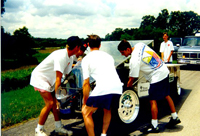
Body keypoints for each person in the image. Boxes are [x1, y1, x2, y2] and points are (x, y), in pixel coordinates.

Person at [118, 40, 181, 133]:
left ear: (128, 49)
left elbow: (132, 78)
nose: (122, 55)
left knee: (152, 100)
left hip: (157, 75)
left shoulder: (134, 60)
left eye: (123, 52)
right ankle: (175, 117)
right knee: (166, 95)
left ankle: (154, 125)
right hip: (163, 70)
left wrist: (127, 89)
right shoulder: (140, 45)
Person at [30, 36, 81, 136]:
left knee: (55, 106)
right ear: (76, 47)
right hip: (40, 78)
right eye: (80, 47)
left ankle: (58, 127)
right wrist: (58, 97)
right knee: (50, 103)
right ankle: (38, 130)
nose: (80, 50)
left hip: (50, 80)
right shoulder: (61, 56)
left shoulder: (70, 57)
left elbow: (66, 75)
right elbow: (59, 77)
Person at [81, 35, 123, 136]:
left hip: (104, 88)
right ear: (100, 45)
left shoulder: (86, 59)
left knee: (86, 112)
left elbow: (86, 83)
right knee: (107, 109)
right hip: (117, 87)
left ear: (88, 46)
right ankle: (103, 134)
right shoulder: (109, 56)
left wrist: (85, 101)